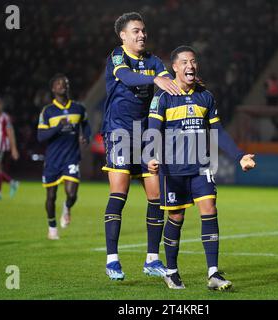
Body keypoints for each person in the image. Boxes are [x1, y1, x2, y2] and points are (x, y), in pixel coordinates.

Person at [147, 46, 256, 290]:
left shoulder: (205, 96)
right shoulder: (162, 97)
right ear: (174, 67)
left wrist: (239, 156)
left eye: (193, 61)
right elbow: (152, 130)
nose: (190, 65)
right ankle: (172, 272)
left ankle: (214, 273)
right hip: (172, 168)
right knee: (176, 216)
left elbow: (217, 131)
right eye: (185, 61)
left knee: (209, 208)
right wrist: (151, 156)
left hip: (200, 166)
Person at [101, 12, 181, 281]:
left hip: (147, 135)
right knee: (119, 194)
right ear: (123, 35)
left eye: (143, 30)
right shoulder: (118, 57)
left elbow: (170, 85)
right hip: (119, 131)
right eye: (136, 31)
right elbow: (126, 77)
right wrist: (154, 80)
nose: (142, 35)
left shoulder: (155, 61)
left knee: (156, 196)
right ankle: (112, 259)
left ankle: (152, 258)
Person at [37, 74, 91, 240]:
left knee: (72, 193)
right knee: (51, 196)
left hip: (71, 157)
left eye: (65, 83)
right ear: (53, 89)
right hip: (53, 160)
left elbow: (86, 125)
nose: (63, 85)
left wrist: (86, 137)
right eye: (59, 83)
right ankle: (52, 227)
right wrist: (57, 128)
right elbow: (40, 136)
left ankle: (67, 208)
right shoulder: (47, 111)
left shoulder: (78, 108)